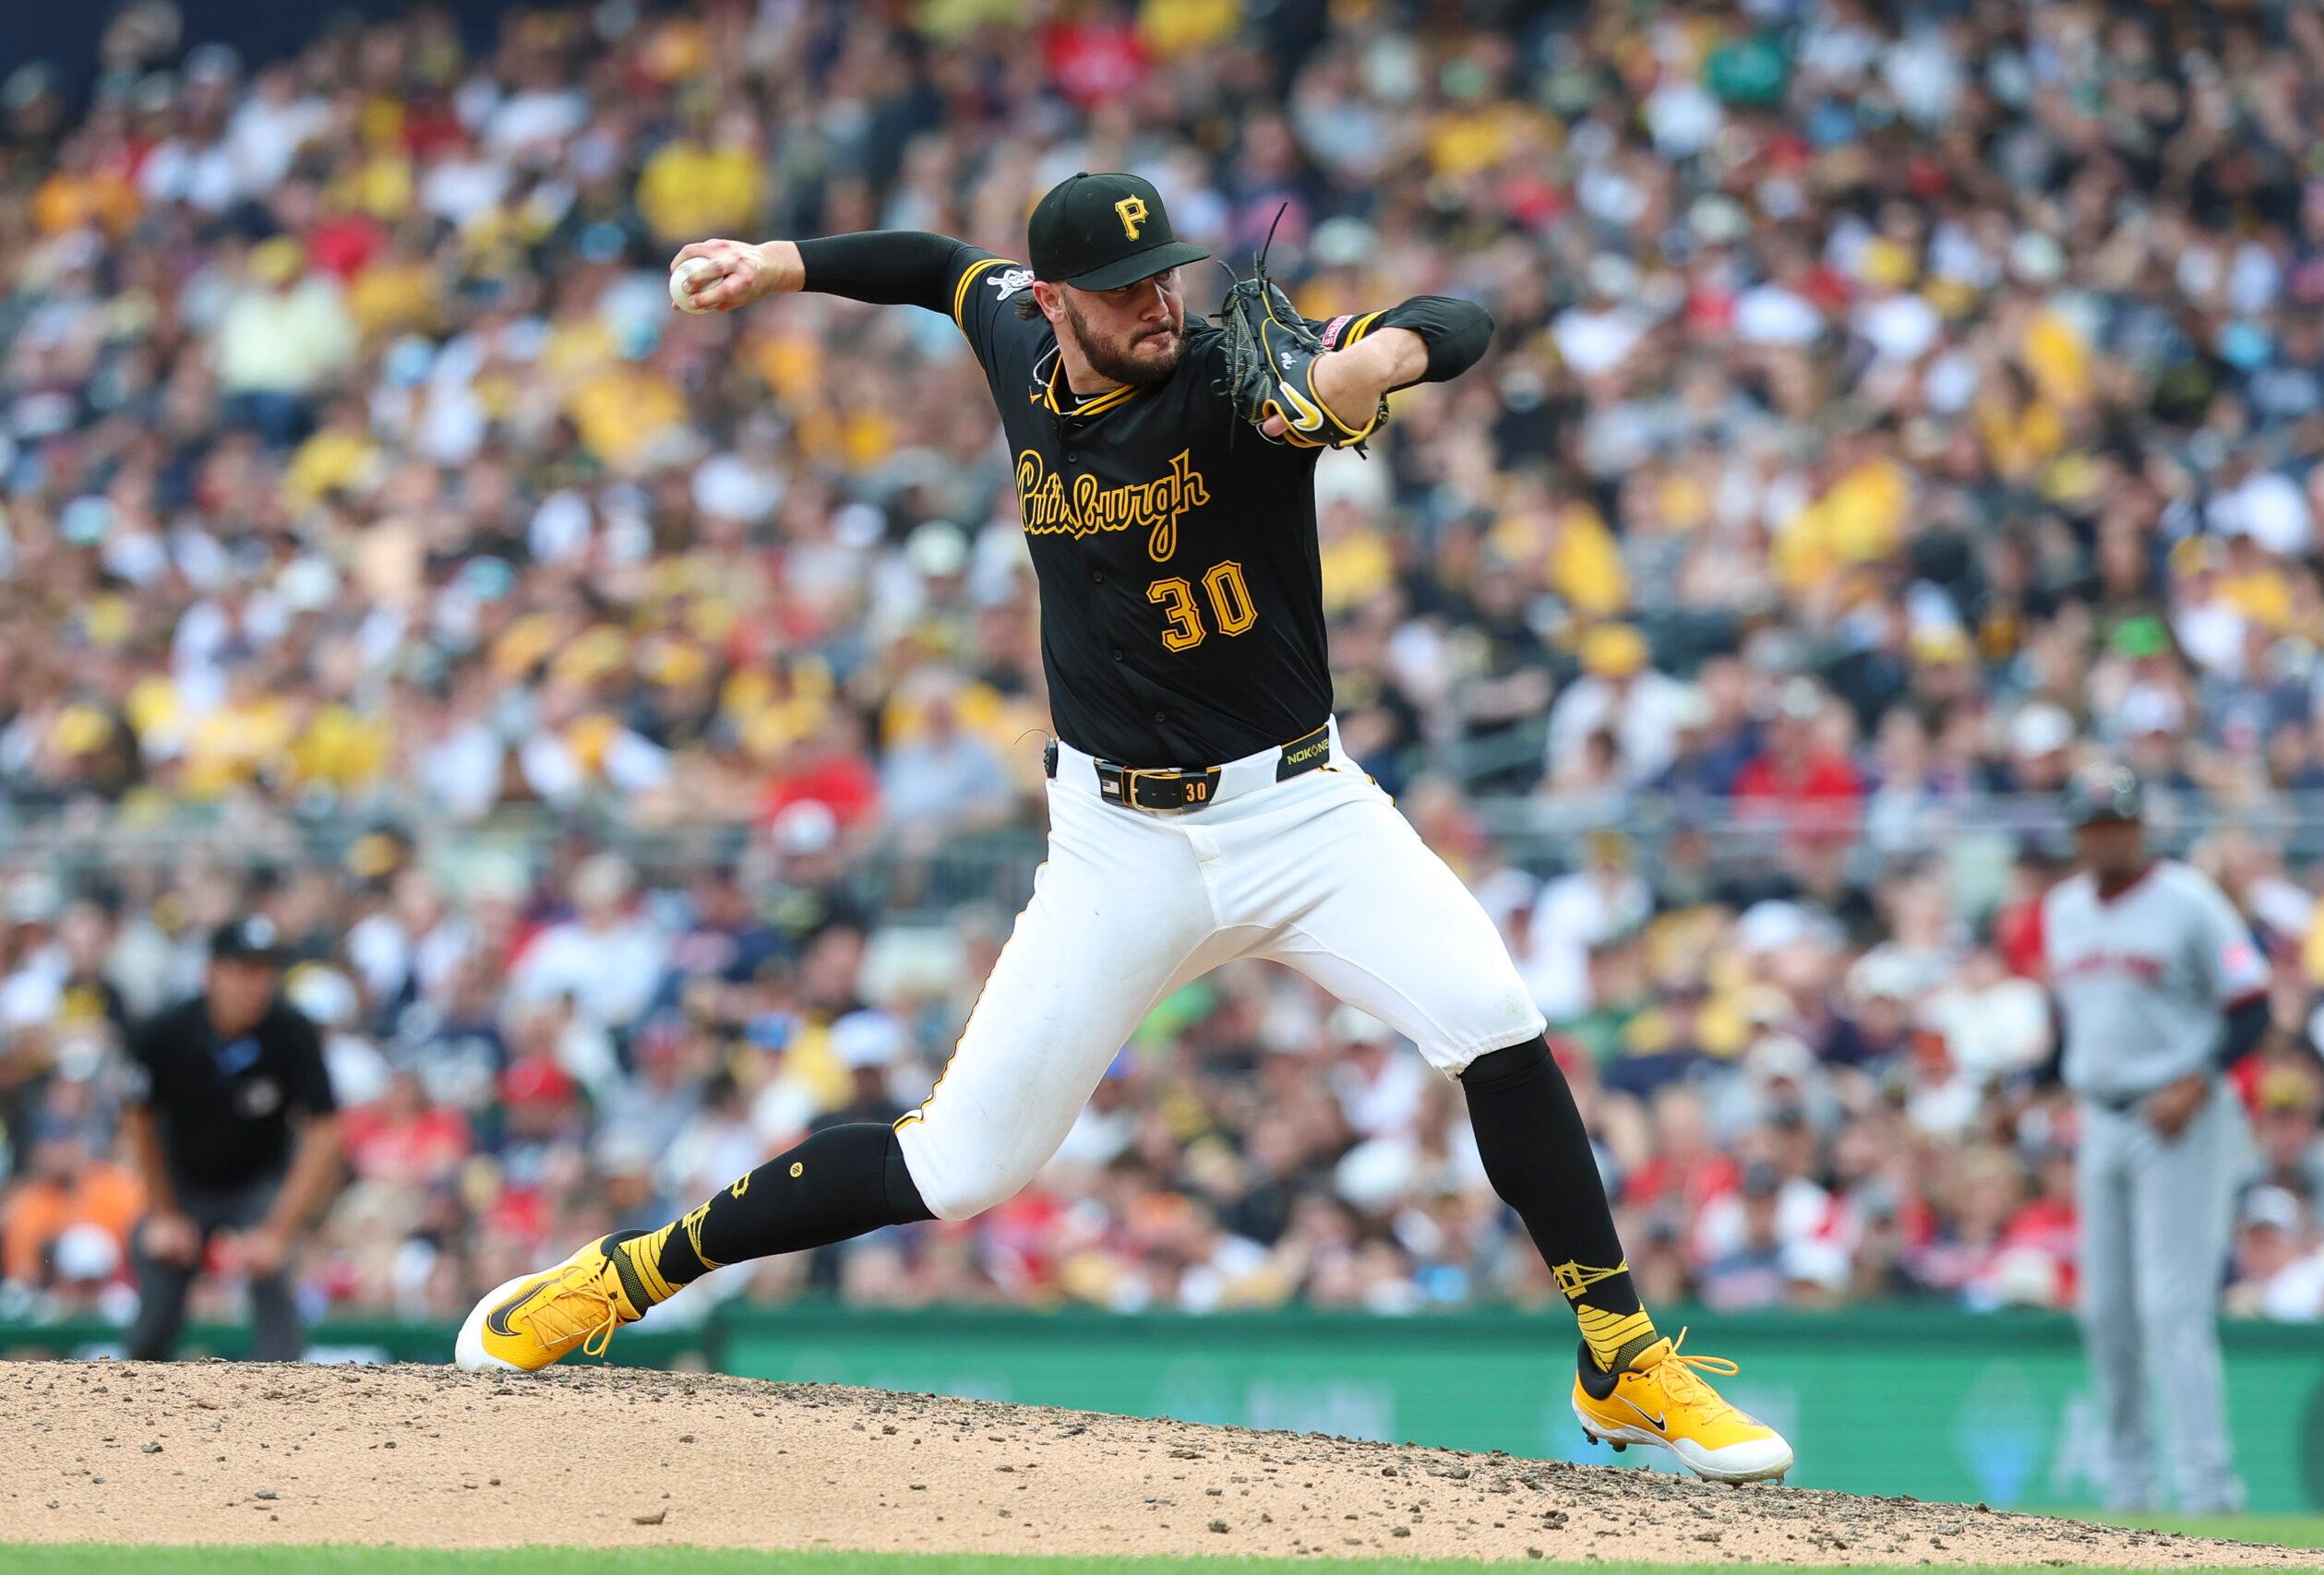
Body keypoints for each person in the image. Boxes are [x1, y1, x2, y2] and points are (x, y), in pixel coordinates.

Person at [455, 173, 1791, 1486]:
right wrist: (779, 264)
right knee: (959, 1165)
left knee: (1493, 1019)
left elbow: (1459, 318)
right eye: (1121, 287)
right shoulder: (1015, 339)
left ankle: (1619, 1354)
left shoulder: (1233, 383)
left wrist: (1372, 361)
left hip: (1302, 812)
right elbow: (933, 264)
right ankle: (624, 1276)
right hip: (1118, 844)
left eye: (1164, 275)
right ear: (1052, 302)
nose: (1157, 302)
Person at [2042, 765, 2269, 1511]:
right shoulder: (2063, 909)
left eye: (2117, 822)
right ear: (2078, 833)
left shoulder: (2188, 900)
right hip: (2101, 1116)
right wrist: (2033, 1084)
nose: (2106, 835)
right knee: (2105, 1313)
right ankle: (2128, 1488)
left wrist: (2199, 1080)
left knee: (2172, 1308)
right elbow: (2083, 1022)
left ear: (2139, 827)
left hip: (2180, 1115)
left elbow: (2252, 1004)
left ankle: (2209, 1490)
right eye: (2093, 824)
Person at [123, 917, 344, 1361]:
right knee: (155, 1311)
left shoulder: (293, 1032)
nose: (256, 985)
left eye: (264, 971)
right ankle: (135, 1388)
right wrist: (163, 1212)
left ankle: (283, 1391)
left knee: (275, 1283)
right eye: (243, 970)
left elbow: (325, 1130)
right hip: (185, 1184)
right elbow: (138, 1117)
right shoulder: (167, 1032)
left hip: (260, 1181)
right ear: (211, 973)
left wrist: (278, 1231)